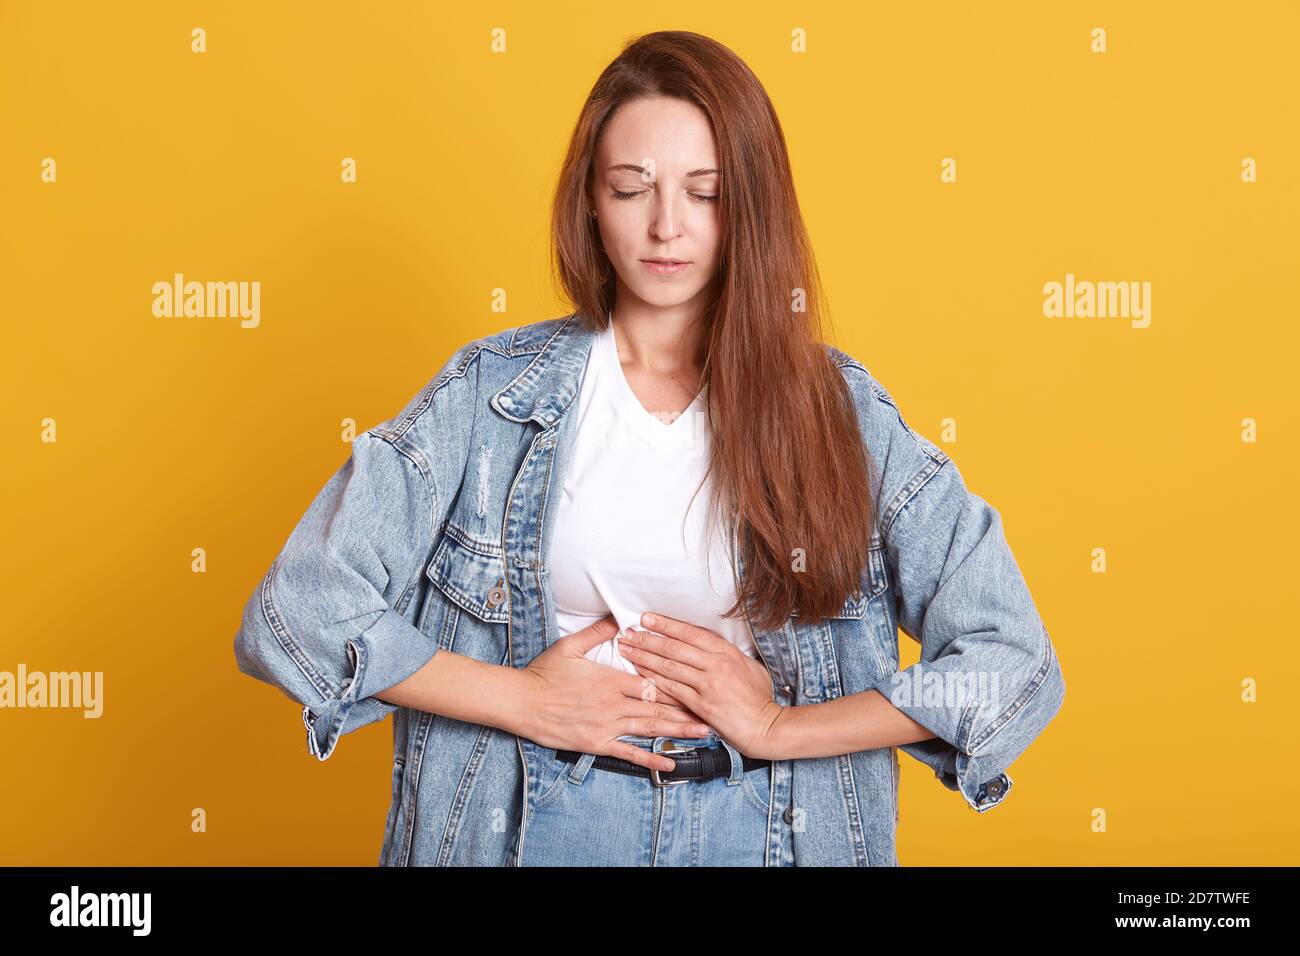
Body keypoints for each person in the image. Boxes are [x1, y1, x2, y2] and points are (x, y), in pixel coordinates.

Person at [233, 30, 1065, 867]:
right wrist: (524, 702)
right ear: (590, 200)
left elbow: (1010, 658)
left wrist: (782, 727)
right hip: (536, 826)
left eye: (705, 193)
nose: (667, 226)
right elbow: (295, 612)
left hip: (770, 833)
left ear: (750, 205)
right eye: (632, 188)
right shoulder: (489, 396)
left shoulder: (837, 412)